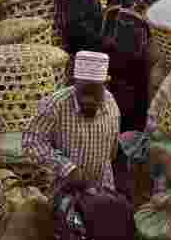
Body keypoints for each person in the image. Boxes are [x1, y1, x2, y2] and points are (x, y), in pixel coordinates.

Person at [23, 50, 121, 194]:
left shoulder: (111, 104)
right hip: (63, 189)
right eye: (83, 93)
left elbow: (111, 153)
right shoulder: (55, 104)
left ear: (105, 85)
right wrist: (68, 169)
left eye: (94, 93)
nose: (88, 100)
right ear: (74, 83)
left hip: (100, 187)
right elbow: (31, 141)